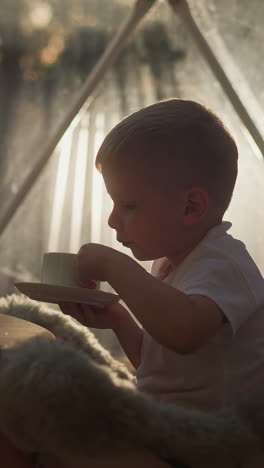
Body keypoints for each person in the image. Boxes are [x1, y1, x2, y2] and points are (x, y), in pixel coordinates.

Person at [59, 98, 264, 411]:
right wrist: (118, 319)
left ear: (190, 207)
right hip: (175, 426)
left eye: (128, 206)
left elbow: (183, 332)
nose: (112, 220)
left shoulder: (225, 264)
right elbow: (163, 371)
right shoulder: (173, 266)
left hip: (216, 443)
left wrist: (115, 266)